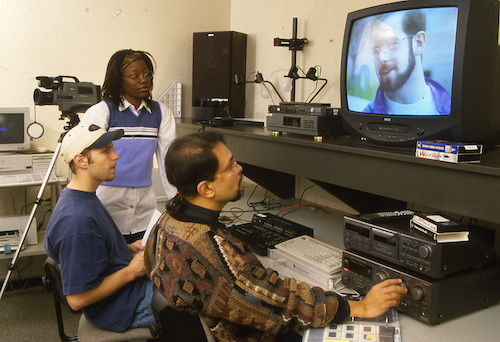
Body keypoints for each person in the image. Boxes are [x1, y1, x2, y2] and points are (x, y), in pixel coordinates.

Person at [144, 131, 407, 342]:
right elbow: (283, 304)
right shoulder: (218, 254)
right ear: (206, 188)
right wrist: (357, 308)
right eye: (231, 165)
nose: (240, 169)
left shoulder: (165, 222)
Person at [44, 123, 155, 333]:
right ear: (81, 161)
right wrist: (131, 272)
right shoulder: (77, 220)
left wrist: (126, 248)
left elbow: (92, 249)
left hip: (124, 295)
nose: (116, 156)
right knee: (194, 301)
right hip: (121, 308)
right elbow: (76, 300)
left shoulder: (81, 197)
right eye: (106, 151)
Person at [80, 49, 176, 244]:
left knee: (140, 263)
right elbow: (86, 163)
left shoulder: (161, 113)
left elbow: (170, 161)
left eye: (147, 74)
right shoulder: (101, 112)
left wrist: (176, 201)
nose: (144, 80)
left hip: (144, 208)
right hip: (106, 203)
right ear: (118, 79)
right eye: (135, 75)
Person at [364, 10, 451, 115]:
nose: (382, 58)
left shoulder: (451, 110)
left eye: (392, 44)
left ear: (419, 43)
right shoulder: (366, 116)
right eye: (376, 51)